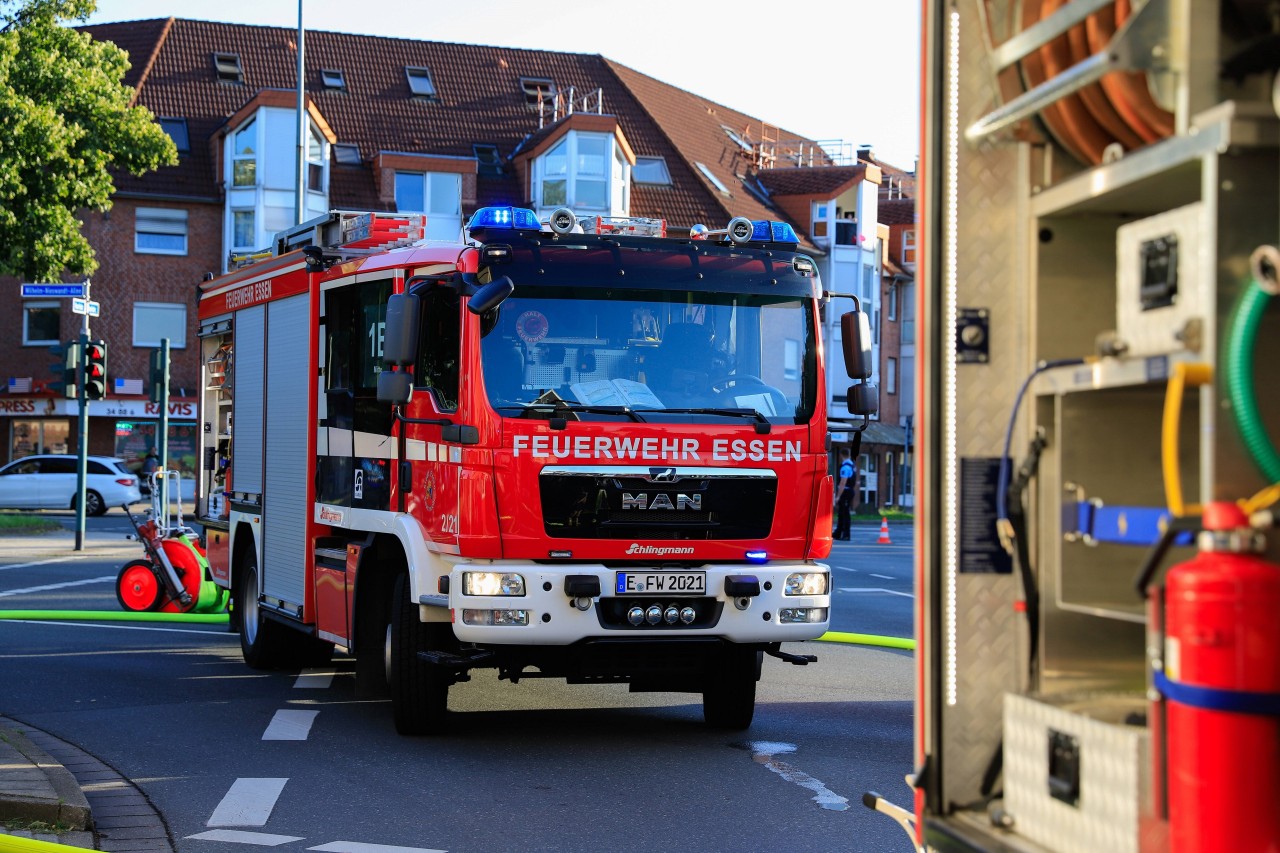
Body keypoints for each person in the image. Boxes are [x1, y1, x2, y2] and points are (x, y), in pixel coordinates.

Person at [834, 448, 856, 541]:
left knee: (845, 514)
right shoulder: (852, 465)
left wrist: (838, 496)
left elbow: (843, 482)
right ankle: (838, 533)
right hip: (849, 491)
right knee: (841, 513)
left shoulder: (845, 467)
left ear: (841, 455)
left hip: (845, 492)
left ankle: (846, 534)